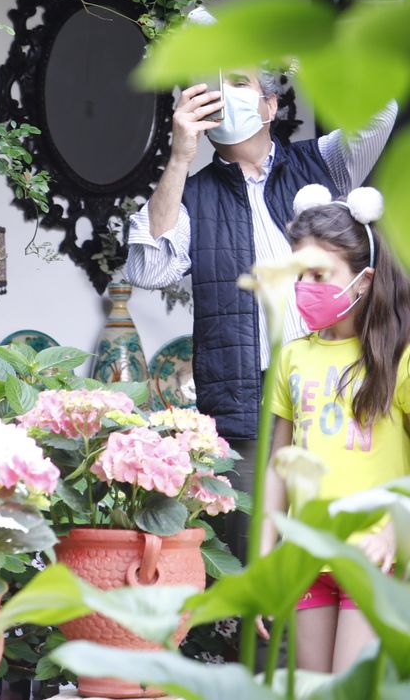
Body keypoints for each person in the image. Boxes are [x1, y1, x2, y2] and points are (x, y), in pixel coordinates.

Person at [124, 60, 397, 557]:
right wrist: (181, 156)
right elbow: (149, 269)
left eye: (240, 84)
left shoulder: (323, 164)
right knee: (258, 563)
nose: (224, 96)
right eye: (211, 88)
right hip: (247, 411)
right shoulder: (195, 194)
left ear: (270, 105)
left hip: (341, 395)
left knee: (344, 557)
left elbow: (380, 112)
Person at [263, 184, 410, 672]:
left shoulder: (398, 358)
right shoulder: (292, 356)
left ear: (364, 279)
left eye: (319, 275)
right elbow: (277, 468)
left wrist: (391, 535)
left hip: (373, 559)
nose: (305, 286)